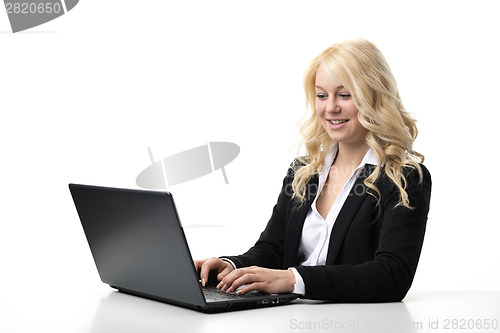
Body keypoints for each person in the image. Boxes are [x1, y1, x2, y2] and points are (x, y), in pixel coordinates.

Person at [195, 39, 432, 302]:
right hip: (287, 319)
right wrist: (231, 266)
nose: (330, 108)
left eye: (345, 95)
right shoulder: (303, 172)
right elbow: (273, 249)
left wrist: (294, 280)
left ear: (374, 97)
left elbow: (392, 276)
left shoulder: (403, 178)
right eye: (322, 95)